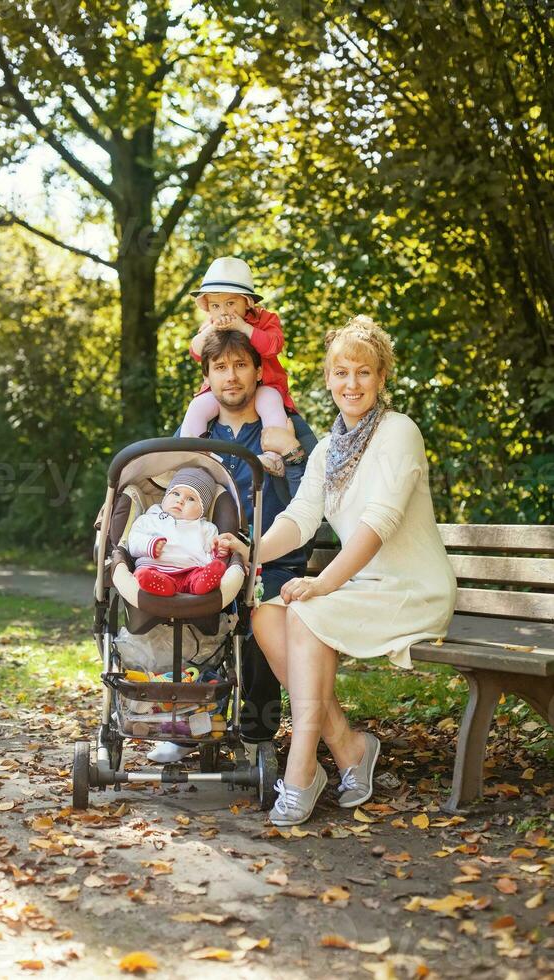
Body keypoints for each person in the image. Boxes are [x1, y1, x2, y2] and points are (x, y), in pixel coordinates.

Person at [219, 315, 457, 826]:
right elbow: (300, 520)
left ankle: (302, 769)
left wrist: (324, 583)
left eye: (364, 373)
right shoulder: (327, 449)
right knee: (266, 615)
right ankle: (348, 747)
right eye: (341, 372)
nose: (352, 384)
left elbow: (379, 524)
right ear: (327, 379)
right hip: (362, 586)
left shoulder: (398, 433)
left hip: (412, 588)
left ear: (381, 378)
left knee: (305, 611)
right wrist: (248, 548)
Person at [147, 329, 318, 764]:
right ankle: (191, 721)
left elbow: (318, 493)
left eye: (241, 365)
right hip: (207, 554)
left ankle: (257, 732)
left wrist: (292, 455)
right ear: (207, 377)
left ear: (259, 371)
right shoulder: (199, 432)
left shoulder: (285, 426)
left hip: (273, 557)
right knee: (190, 619)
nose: (231, 376)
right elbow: (166, 487)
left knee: (262, 621)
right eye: (220, 367)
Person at [180, 256, 307, 476]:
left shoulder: (264, 320)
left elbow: (273, 346)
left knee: (270, 402)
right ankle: (193, 457)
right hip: (222, 392)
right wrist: (212, 330)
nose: (224, 312)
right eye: (216, 306)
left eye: (231, 303)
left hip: (263, 384)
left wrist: (244, 327)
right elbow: (196, 350)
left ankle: (274, 458)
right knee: (198, 407)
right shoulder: (211, 325)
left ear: (247, 302)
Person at [127, 467, 227, 597]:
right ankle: (164, 585)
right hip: (154, 568)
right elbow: (133, 541)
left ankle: (200, 584)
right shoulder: (148, 519)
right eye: (175, 494)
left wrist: (219, 553)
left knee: (201, 574)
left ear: (202, 509)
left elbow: (211, 552)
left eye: (191, 499)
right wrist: (149, 545)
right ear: (166, 496)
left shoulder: (206, 528)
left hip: (189, 571)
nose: (180, 500)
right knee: (144, 574)